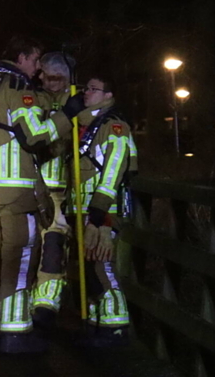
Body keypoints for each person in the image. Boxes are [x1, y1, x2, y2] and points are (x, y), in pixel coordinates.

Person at [0, 36, 82, 353]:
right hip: (17, 196)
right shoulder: (20, 91)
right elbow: (35, 136)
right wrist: (67, 114)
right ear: (21, 57)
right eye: (35, 60)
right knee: (18, 264)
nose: (37, 68)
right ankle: (15, 335)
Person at [67, 73, 138, 347]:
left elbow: (113, 172)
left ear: (108, 95)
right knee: (89, 268)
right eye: (87, 88)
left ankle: (115, 328)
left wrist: (100, 216)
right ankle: (98, 324)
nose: (87, 93)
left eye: (94, 89)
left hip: (102, 212)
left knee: (101, 267)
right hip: (85, 210)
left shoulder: (114, 125)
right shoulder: (88, 124)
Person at [30, 52, 75, 328]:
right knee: (28, 249)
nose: (53, 83)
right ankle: (26, 302)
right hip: (35, 187)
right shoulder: (31, 99)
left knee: (54, 247)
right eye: (48, 77)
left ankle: (45, 305)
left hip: (60, 189)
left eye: (59, 78)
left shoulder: (75, 101)